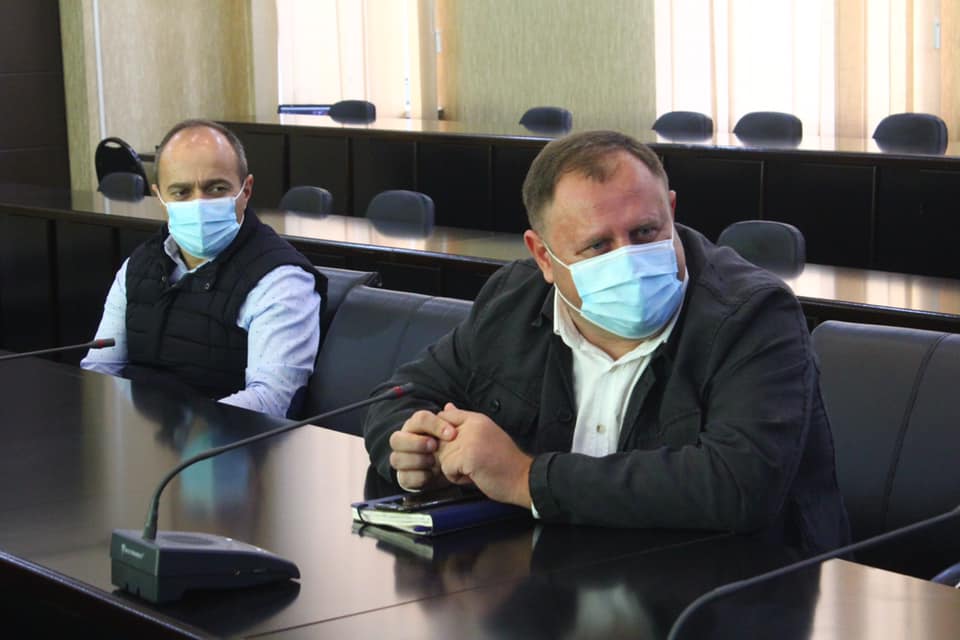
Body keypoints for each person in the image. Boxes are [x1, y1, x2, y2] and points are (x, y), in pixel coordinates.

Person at [363, 130, 849, 554]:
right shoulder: (513, 298)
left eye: (646, 232)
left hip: (731, 591)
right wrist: (417, 450)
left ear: (671, 210)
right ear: (543, 257)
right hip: (557, 579)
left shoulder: (755, 313)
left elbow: (739, 485)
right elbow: (400, 397)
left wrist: (523, 478)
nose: (630, 259)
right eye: (598, 245)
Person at [82, 119, 324, 418]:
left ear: (246, 190)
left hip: (226, 440)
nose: (199, 203)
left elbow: (272, 400)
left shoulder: (280, 280)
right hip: (139, 434)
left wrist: (187, 432)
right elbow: (100, 369)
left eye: (216, 188)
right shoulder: (138, 266)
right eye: (181, 192)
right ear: (160, 198)